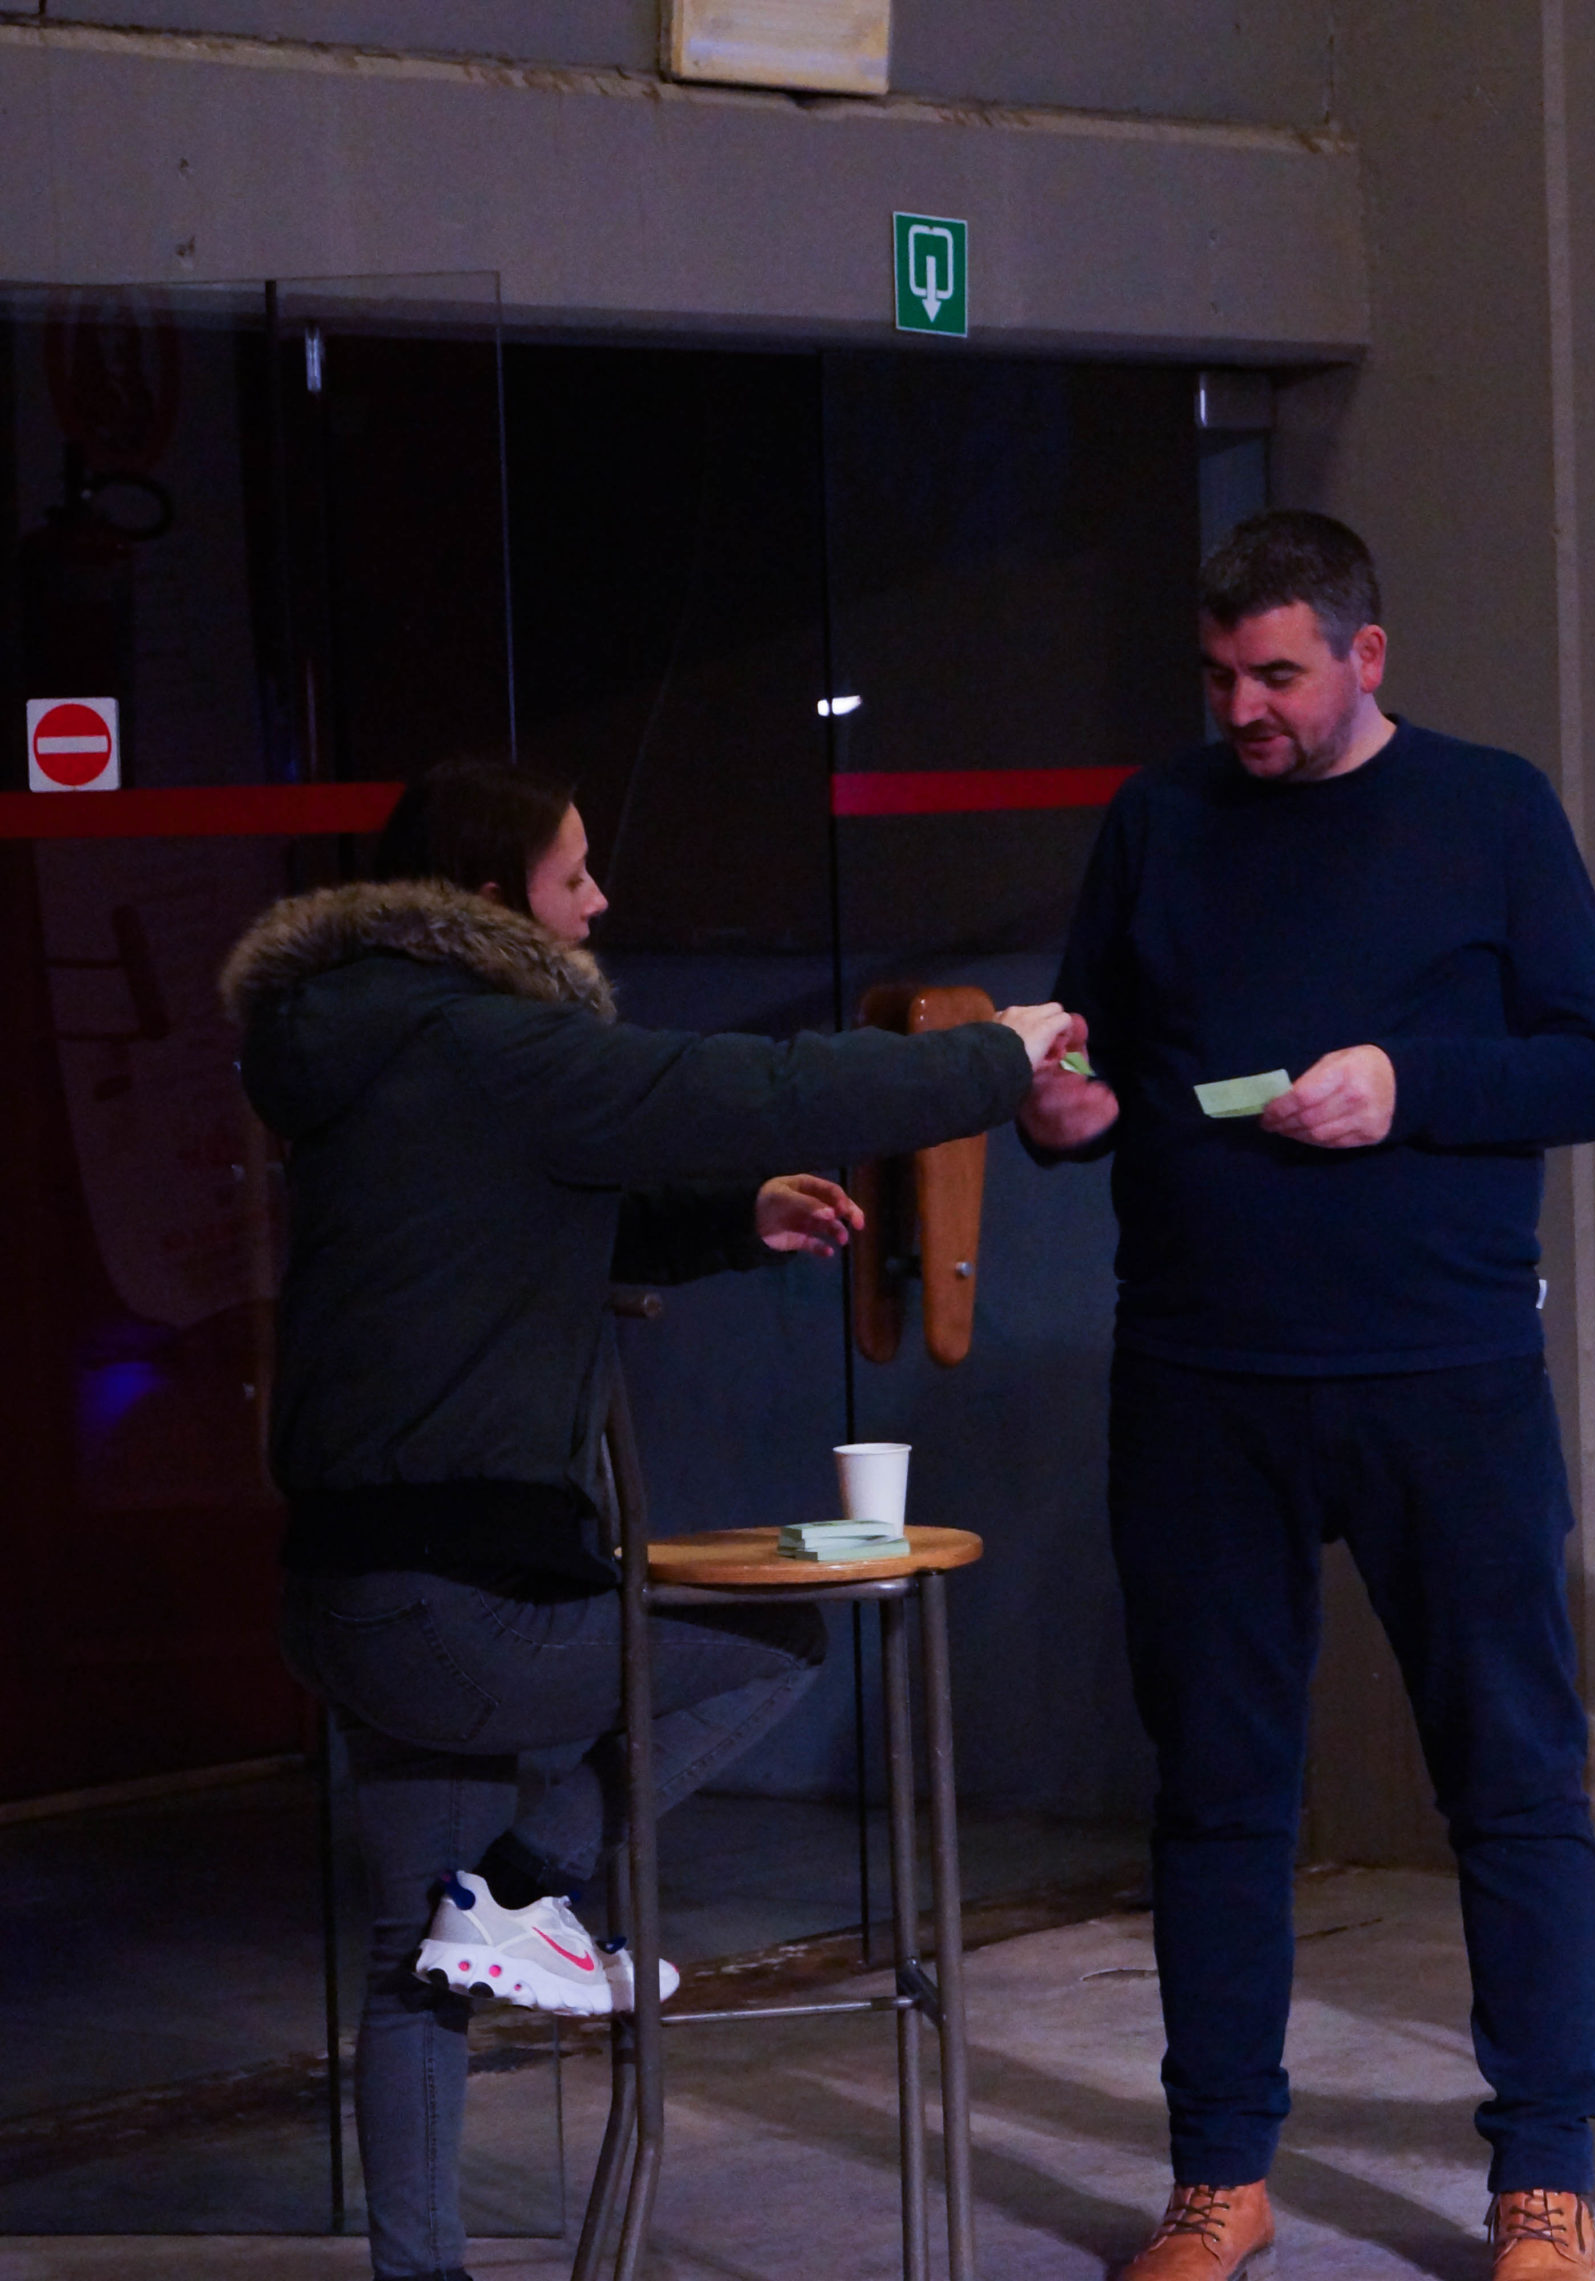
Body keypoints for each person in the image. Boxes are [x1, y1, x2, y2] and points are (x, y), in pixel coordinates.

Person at [220, 758, 1070, 2281]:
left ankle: (425, 2259)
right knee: (773, 1646)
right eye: (575, 874)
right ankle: (527, 1889)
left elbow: (529, 1217)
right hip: (457, 1591)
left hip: (354, 1585)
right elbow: (760, 1090)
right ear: (495, 902)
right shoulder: (490, 1038)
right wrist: (991, 1060)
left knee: (422, 1959)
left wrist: (735, 1221)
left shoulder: (371, 1045)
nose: (600, 901)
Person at [1017, 511, 1595, 2281]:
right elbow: (1088, 1065)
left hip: (1448, 1375)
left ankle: (1543, 2177)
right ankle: (1220, 2174)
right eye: (1221, 675)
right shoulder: (1158, 819)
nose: (1247, 709)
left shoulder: (1492, 810)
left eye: (1279, 674)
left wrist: (1407, 1083)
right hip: (1200, 1377)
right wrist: (1057, 1112)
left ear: (1368, 656)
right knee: (1218, 1790)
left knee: (1511, 1779)